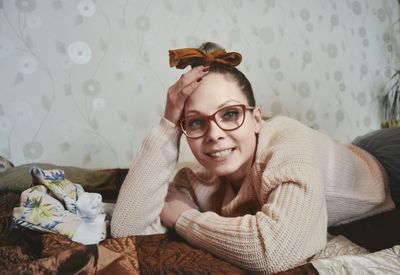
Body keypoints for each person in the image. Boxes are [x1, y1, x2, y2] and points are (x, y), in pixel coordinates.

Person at [111, 42, 399, 274]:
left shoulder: (287, 140)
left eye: (230, 114)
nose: (214, 134)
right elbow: (127, 232)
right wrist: (168, 124)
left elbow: (276, 250)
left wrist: (185, 218)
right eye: (196, 122)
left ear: (256, 119)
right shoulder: (197, 179)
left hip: (385, 160)